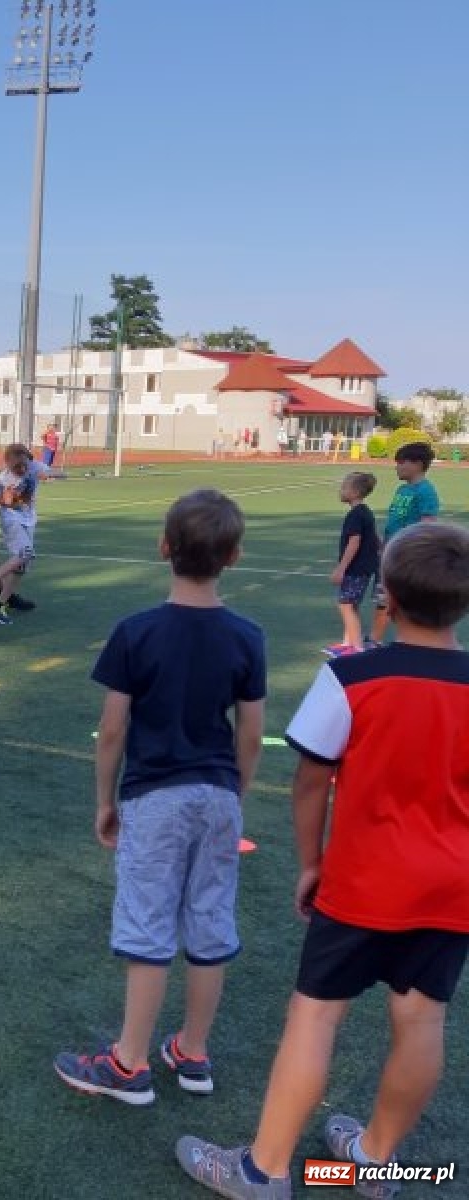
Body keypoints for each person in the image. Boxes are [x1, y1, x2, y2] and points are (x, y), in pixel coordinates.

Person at [176, 523, 469, 1200]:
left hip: (365, 881)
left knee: (315, 1016)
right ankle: (375, 1160)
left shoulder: (352, 676)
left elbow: (311, 780)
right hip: (451, 887)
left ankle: (264, 1171)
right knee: (422, 1019)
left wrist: (311, 863)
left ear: (385, 597)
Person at [53, 488, 266, 1106]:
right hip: (218, 797)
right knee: (208, 922)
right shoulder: (247, 636)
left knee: (148, 928)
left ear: (164, 547)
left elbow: (113, 728)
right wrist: (236, 792)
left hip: (155, 798)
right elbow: (250, 732)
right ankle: (193, 1054)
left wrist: (104, 800)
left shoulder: (136, 631)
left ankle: (129, 1064)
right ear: (234, 555)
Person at [368, 442, 440, 648]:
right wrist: (384, 543)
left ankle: (414, 640)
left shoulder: (426, 491)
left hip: (406, 554)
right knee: (383, 597)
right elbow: (395, 520)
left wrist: (413, 550)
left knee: (407, 598)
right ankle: (375, 639)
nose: (397, 467)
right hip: (390, 551)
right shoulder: (402, 489)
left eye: (401, 462)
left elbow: (428, 525)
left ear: (417, 464)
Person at [0, 442, 43, 626]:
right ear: (7, 464)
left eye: (24, 465)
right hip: (11, 520)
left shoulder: (33, 467)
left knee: (22, 566)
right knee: (26, 553)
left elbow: (51, 472)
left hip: (28, 520)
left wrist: (52, 474)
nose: (21, 469)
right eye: (16, 467)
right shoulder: (4, 479)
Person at [324, 472, 380, 659]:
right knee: (351, 603)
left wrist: (341, 568)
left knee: (346, 604)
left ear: (355, 492)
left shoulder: (355, 515)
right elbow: (374, 536)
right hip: (363, 567)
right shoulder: (365, 511)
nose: (341, 490)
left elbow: (354, 542)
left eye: (344, 487)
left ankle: (356, 647)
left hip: (356, 568)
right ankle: (347, 642)